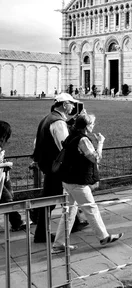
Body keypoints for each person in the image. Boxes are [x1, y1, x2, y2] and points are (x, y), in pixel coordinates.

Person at [52, 114, 123, 253]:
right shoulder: (83, 139)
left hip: (67, 180)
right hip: (77, 181)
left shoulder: (71, 136)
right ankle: (103, 237)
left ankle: (59, 243)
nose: (94, 126)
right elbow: (95, 158)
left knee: (69, 212)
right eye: (92, 124)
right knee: (91, 208)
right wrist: (101, 142)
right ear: (86, 126)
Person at [32, 93, 87, 244]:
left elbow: (37, 142)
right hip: (57, 167)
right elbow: (66, 146)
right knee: (52, 198)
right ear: (64, 104)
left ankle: (74, 223)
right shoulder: (58, 123)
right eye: (71, 104)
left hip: (49, 165)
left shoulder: (49, 118)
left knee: (62, 195)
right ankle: (41, 233)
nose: (73, 107)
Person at [0, 121, 29, 232]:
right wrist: (6, 164)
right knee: (7, 198)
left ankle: (17, 222)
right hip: (1, 176)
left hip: (3, 176)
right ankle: (17, 222)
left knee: (8, 197)